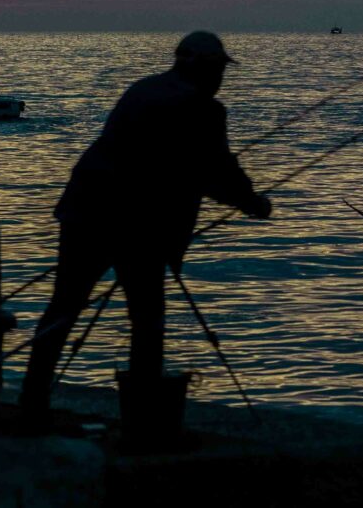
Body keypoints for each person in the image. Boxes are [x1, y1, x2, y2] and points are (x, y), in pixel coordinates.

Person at [18, 30, 272, 414]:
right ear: (210, 70)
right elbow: (217, 170)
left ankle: (31, 400)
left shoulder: (142, 89)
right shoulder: (204, 108)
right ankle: (144, 416)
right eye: (220, 69)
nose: (222, 78)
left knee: (64, 307)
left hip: (83, 212)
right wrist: (253, 203)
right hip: (139, 228)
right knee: (148, 317)